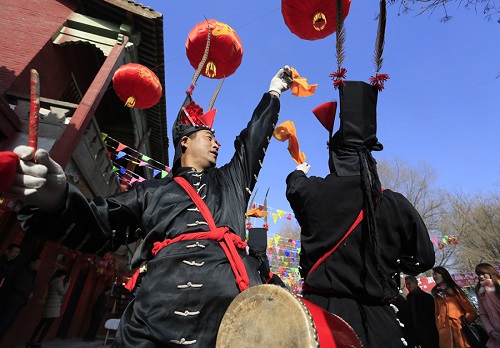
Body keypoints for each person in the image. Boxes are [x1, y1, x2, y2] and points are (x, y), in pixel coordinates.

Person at [8, 67, 293, 347]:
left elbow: (252, 141)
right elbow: (101, 221)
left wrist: (273, 94)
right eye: (209, 137)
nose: (218, 144)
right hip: (153, 326)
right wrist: (58, 199)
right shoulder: (151, 191)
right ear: (185, 141)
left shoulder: (230, 182)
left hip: (229, 324)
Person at [431, 266, 479, 347]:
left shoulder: (454, 290)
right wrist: (439, 324)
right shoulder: (436, 294)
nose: (434, 277)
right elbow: (437, 313)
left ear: (443, 274)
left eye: (436, 274)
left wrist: (465, 320)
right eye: (433, 275)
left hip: (459, 329)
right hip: (444, 330)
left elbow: (470, 310)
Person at [25, 269, 70, 348]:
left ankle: (31, 340)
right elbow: (62, 292)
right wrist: (67, 284)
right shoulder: (58, 281)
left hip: (49, 304)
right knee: (47, 326)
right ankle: (38, 342)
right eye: (64, 276)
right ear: (61, 275)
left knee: (41, 323)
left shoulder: (52, 281)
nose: (64, 277)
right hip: (54, 306)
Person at [0, 256, 40, 341]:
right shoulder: (23, 271)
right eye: (37, 263)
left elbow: (34, 286)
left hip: (21, 302)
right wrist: (27, 293)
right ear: (31, 262)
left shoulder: (33, 274)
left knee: (10, 323)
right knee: (4, 321)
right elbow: (18, 284)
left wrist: (31, 292)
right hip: (14, 300)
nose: (38, 265)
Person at [405, 275, 439, 348]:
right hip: (417, 333)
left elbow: (434, 314)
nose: (407, 286)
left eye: (409, 283)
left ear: (415, 283)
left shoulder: (425, 297)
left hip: (429, 332)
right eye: (406, 284)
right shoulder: (409, 298)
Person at [475, 263, 500, 348]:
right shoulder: (481, 292)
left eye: (483, 273)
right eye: (478, 274)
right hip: (497, 336)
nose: (481, 277)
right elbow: (483, 314)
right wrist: (491, 331)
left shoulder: (498, 286)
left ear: (490, 272)